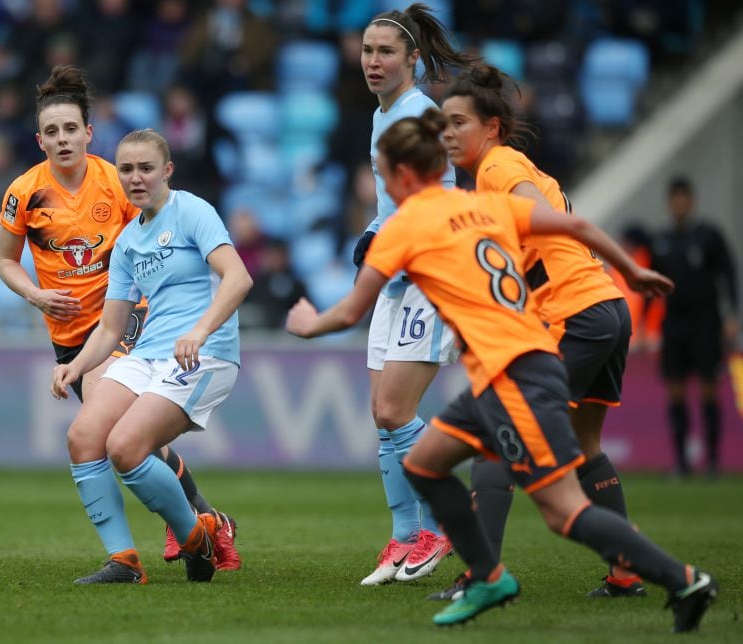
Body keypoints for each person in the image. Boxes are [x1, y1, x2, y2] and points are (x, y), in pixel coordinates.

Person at [286, 110, 718, 630]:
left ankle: (684, 578)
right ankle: (488, 576)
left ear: (402, 175)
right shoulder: (484, 206)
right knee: (424, 462)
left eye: (382, 173)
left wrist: (310, 323)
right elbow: (575, 224)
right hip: (517, 363)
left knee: (562, 511)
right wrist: (630, 270)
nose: (382, 184)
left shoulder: (407, 225)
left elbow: (353, 310)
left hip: (512, 375)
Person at [0, 66, 239, 579]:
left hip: (127, 325)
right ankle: (205, 522)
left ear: (89, 133)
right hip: (71, 334)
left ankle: (165, 540)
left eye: (71, 129)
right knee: (114, 440)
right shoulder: (22, 194)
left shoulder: (120, 180)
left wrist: (176, 319)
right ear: (39, 140)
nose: (63, 139)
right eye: (52, 132)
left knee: (116, 439)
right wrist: (36, 294)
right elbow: (6, 261)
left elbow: (152, 247)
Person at [432, 64, 645, 600]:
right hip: (605, 307)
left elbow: (545, 217)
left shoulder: (500, 168)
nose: (448, 134)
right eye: (444, 125)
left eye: (458, 123)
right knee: (583, 442)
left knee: (494, 438)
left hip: (575, 310)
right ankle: (626, 573)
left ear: (493, 128)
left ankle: (483, 577)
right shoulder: (504, 169)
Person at [51, 128, 252, 584]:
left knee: (125, 447)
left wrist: (200, 331)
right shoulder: (126, 242)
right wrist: (75, 366)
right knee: (83, 437)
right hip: (150, 354)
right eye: (126, 169)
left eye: (146, 168)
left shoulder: (193, 211)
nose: (136, 178)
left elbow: (238, 278)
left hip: (205, 355)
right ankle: (128, 559)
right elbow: (110, 327)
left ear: (167, 170)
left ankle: (194, 536)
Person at [350, 3, 481, 586]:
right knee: (383, 419)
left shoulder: (419, 114)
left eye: (385, 52)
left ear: (412, 59)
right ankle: (406, 535)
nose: (373, 61)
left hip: (428, 277)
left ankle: (451, 516)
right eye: (367, 50)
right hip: (395, 277)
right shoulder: (385, 115)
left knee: (394, 410)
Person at [651, 176, 739, 478]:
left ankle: (713, 461)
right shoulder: (661, 240)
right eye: (674, 198)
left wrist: (732, 314)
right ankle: (681, 462)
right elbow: (650, 286)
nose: (679, 203)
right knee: (675, 391)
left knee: (708, 389)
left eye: (683, 197)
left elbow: (728, 274)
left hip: (706, 321)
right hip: (674, 324)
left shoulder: (709, 236)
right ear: (669, 202)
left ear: (691, 201)